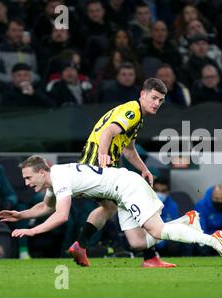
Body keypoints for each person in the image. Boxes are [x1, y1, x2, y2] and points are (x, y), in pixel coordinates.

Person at [0, 156, 222, 265]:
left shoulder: (60, 177)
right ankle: (186, 222)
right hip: (118, 194)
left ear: (42, 172)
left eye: (28, 178)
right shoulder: (54, 180)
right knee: (139, 243)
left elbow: (62, 215)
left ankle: (213, 239)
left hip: (126, 185)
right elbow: (46, 206)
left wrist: (33, 231)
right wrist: (21, 215)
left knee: (156, 230)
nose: (26, 183)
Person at [71, 78, 176, 268]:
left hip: (91, 163)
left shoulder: (136, 115)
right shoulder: (133, 111)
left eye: (160, 101)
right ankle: (150, 257)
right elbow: (108, 131)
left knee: (109, 208)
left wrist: (143, 169)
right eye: (153, 98)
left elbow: (128, 149)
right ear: (142, 95)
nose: (156, 103)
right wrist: (103, 156)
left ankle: (81, 244)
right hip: (99, 164)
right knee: (134, 199)